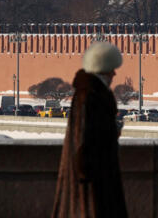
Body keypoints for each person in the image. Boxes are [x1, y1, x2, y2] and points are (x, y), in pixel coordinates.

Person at [51, 41, 127, 218]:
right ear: (103, 69)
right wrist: (90, 176)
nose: (115, 73)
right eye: (111, 69)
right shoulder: (91, 95)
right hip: (93, 183)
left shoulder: (92, 93)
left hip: (95, 178)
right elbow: (84, 138)